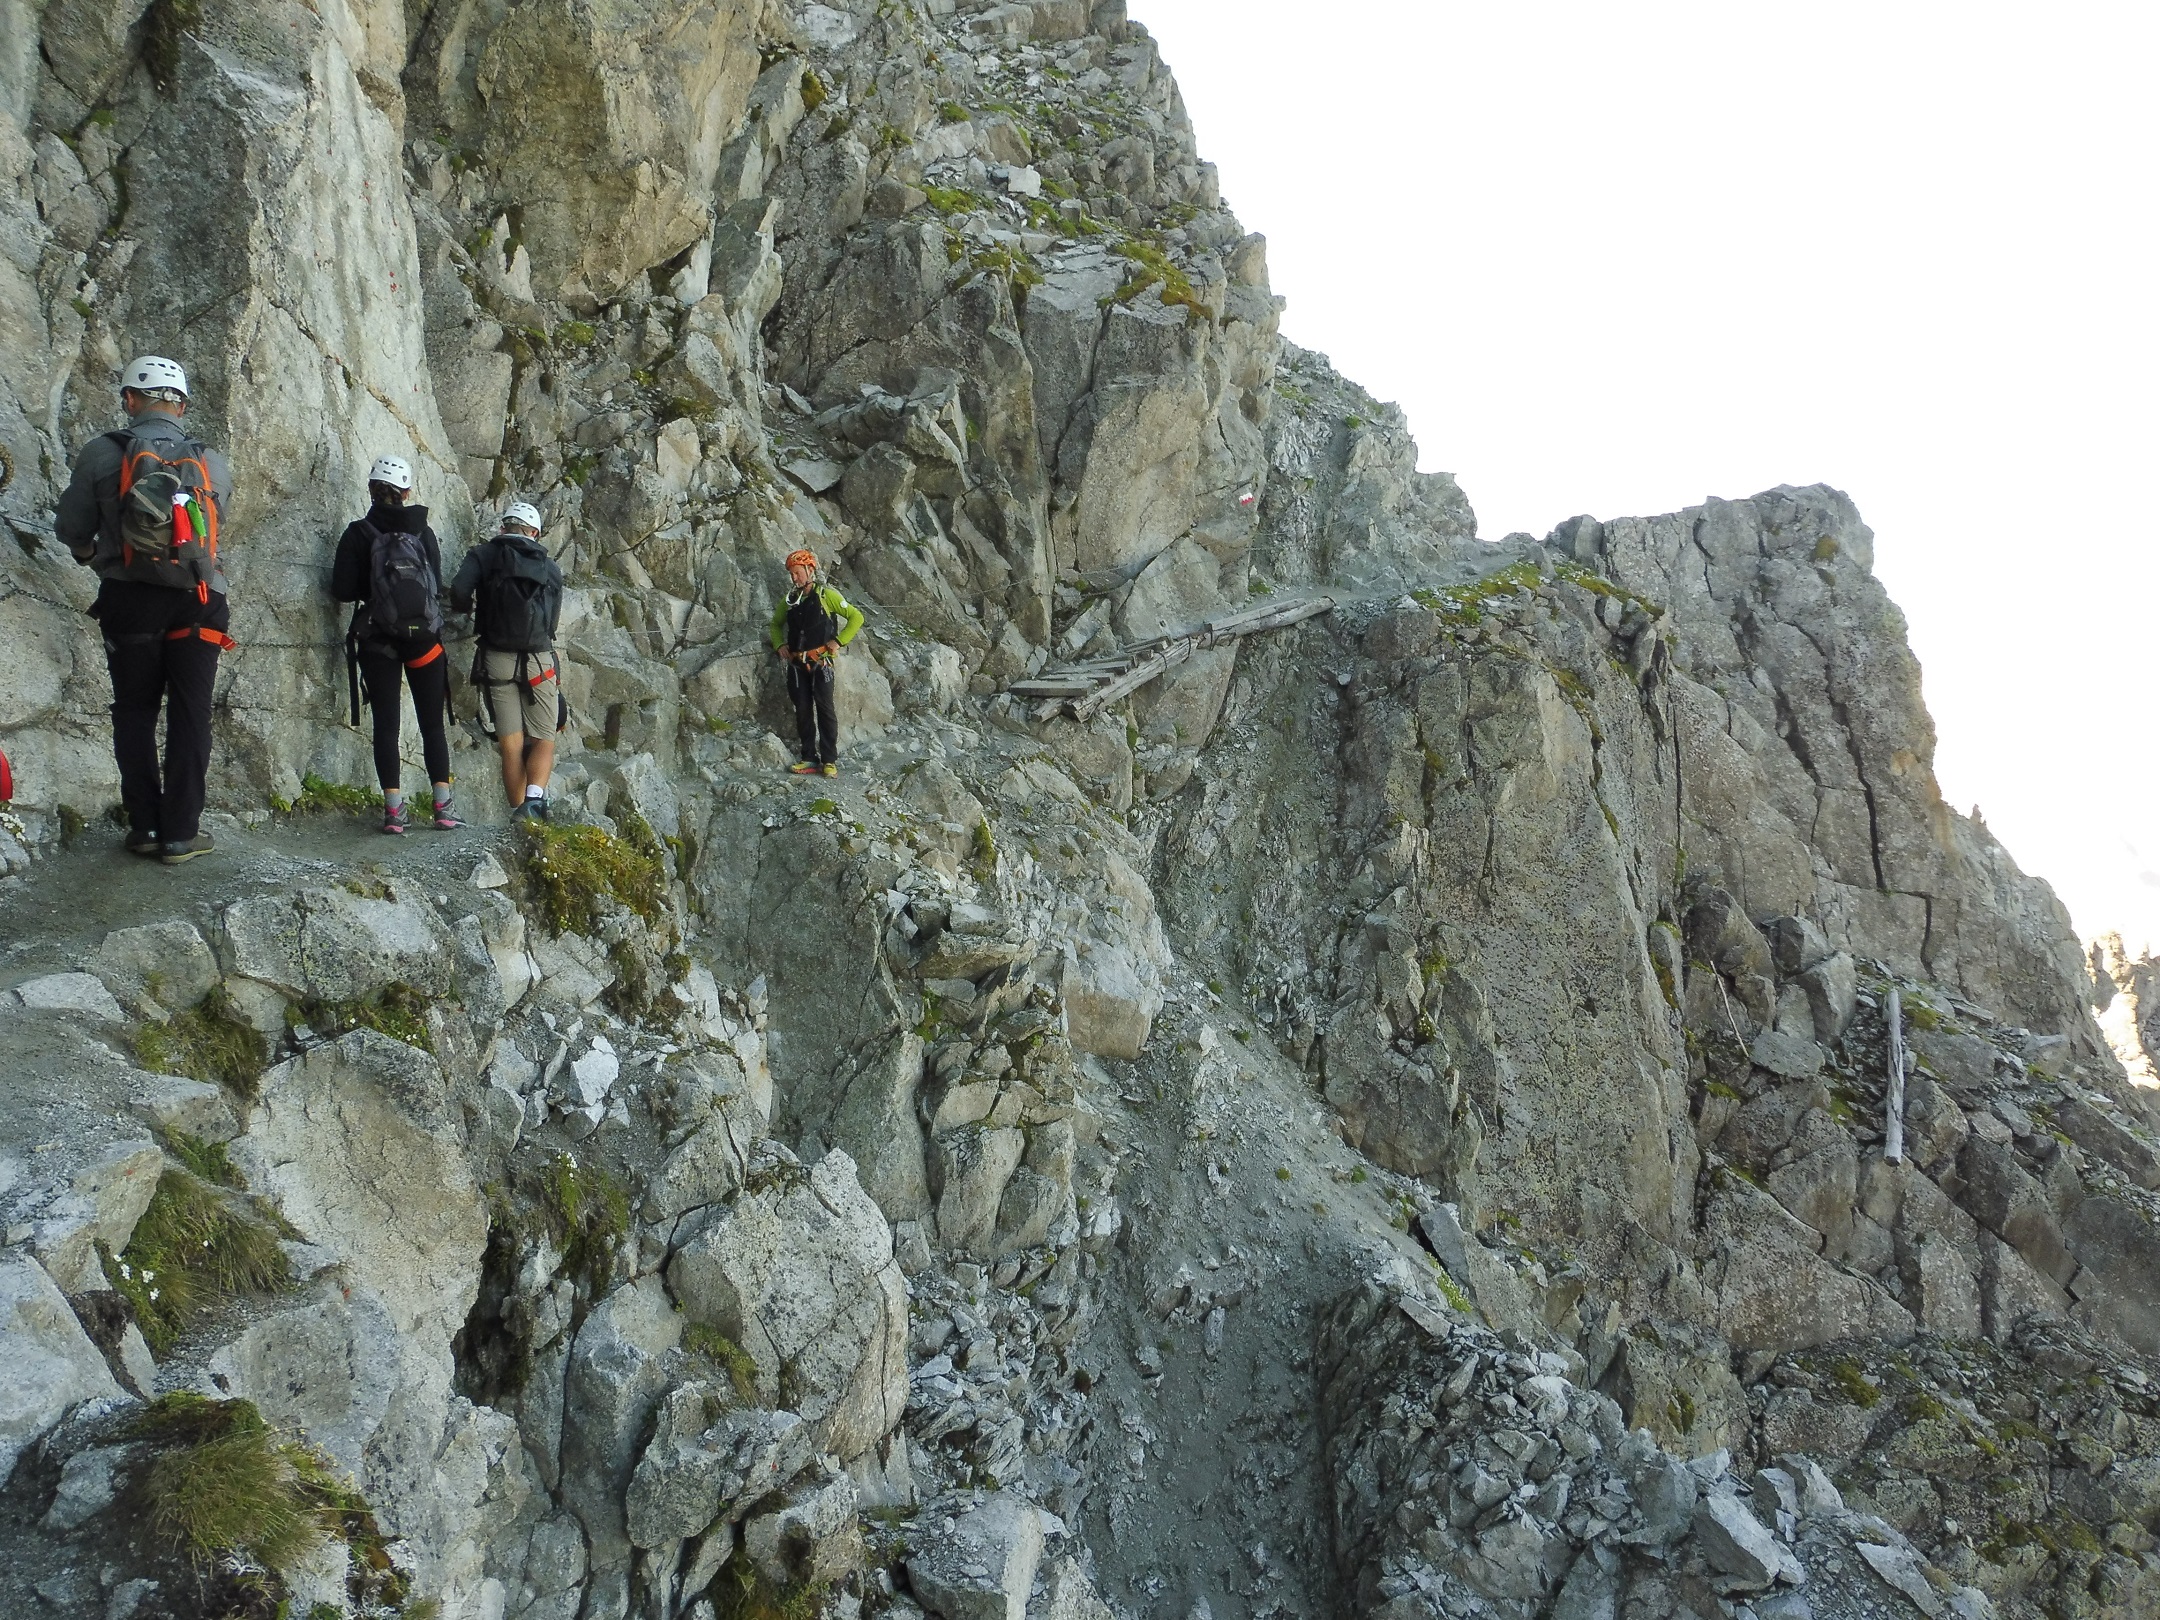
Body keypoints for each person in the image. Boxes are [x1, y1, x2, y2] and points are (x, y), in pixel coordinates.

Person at [53, 355, 233, 865]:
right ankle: (181, 833)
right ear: (182, 405)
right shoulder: (210, 460)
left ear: (131, 399)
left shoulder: (102, 453)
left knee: (135, 710)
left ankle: (146, 827)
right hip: (199, 599)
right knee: (191, 711)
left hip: (130, 598)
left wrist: (96, 556)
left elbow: (71, 529)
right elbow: (212, 532)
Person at [331, 456, 460, 834]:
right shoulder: (424, 533)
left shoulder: (358, 533)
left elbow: (341, 591)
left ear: (371, 488)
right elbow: (434, 584)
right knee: (432, 724)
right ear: (406, 492)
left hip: (378, 640)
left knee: (386, 725)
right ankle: (443, 808)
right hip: (425, 642)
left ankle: (394, 812)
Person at [450, 501, 564, 820]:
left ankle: (517, 811)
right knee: (544, 737)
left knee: (511, 744)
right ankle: (534, 802)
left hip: (496, 657)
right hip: (539, 660)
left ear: (503, 528)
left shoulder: (483, 555)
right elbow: (552, 623)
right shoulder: (550, 567)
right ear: (534, 533)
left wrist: (465, 611)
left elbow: (460, 590)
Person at [767, 548, 863, 777]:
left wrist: (838, 641)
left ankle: (829, 760)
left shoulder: (827, 596)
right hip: (797, 665)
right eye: (792, 574)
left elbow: (856, 617)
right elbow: (775, 624)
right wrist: (779, 644)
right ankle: (809, 757)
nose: (794, 577)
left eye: (798, 572)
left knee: (825, 709)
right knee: (802, 710)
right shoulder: (789, 601)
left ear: (810, 570)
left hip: (822, 663)